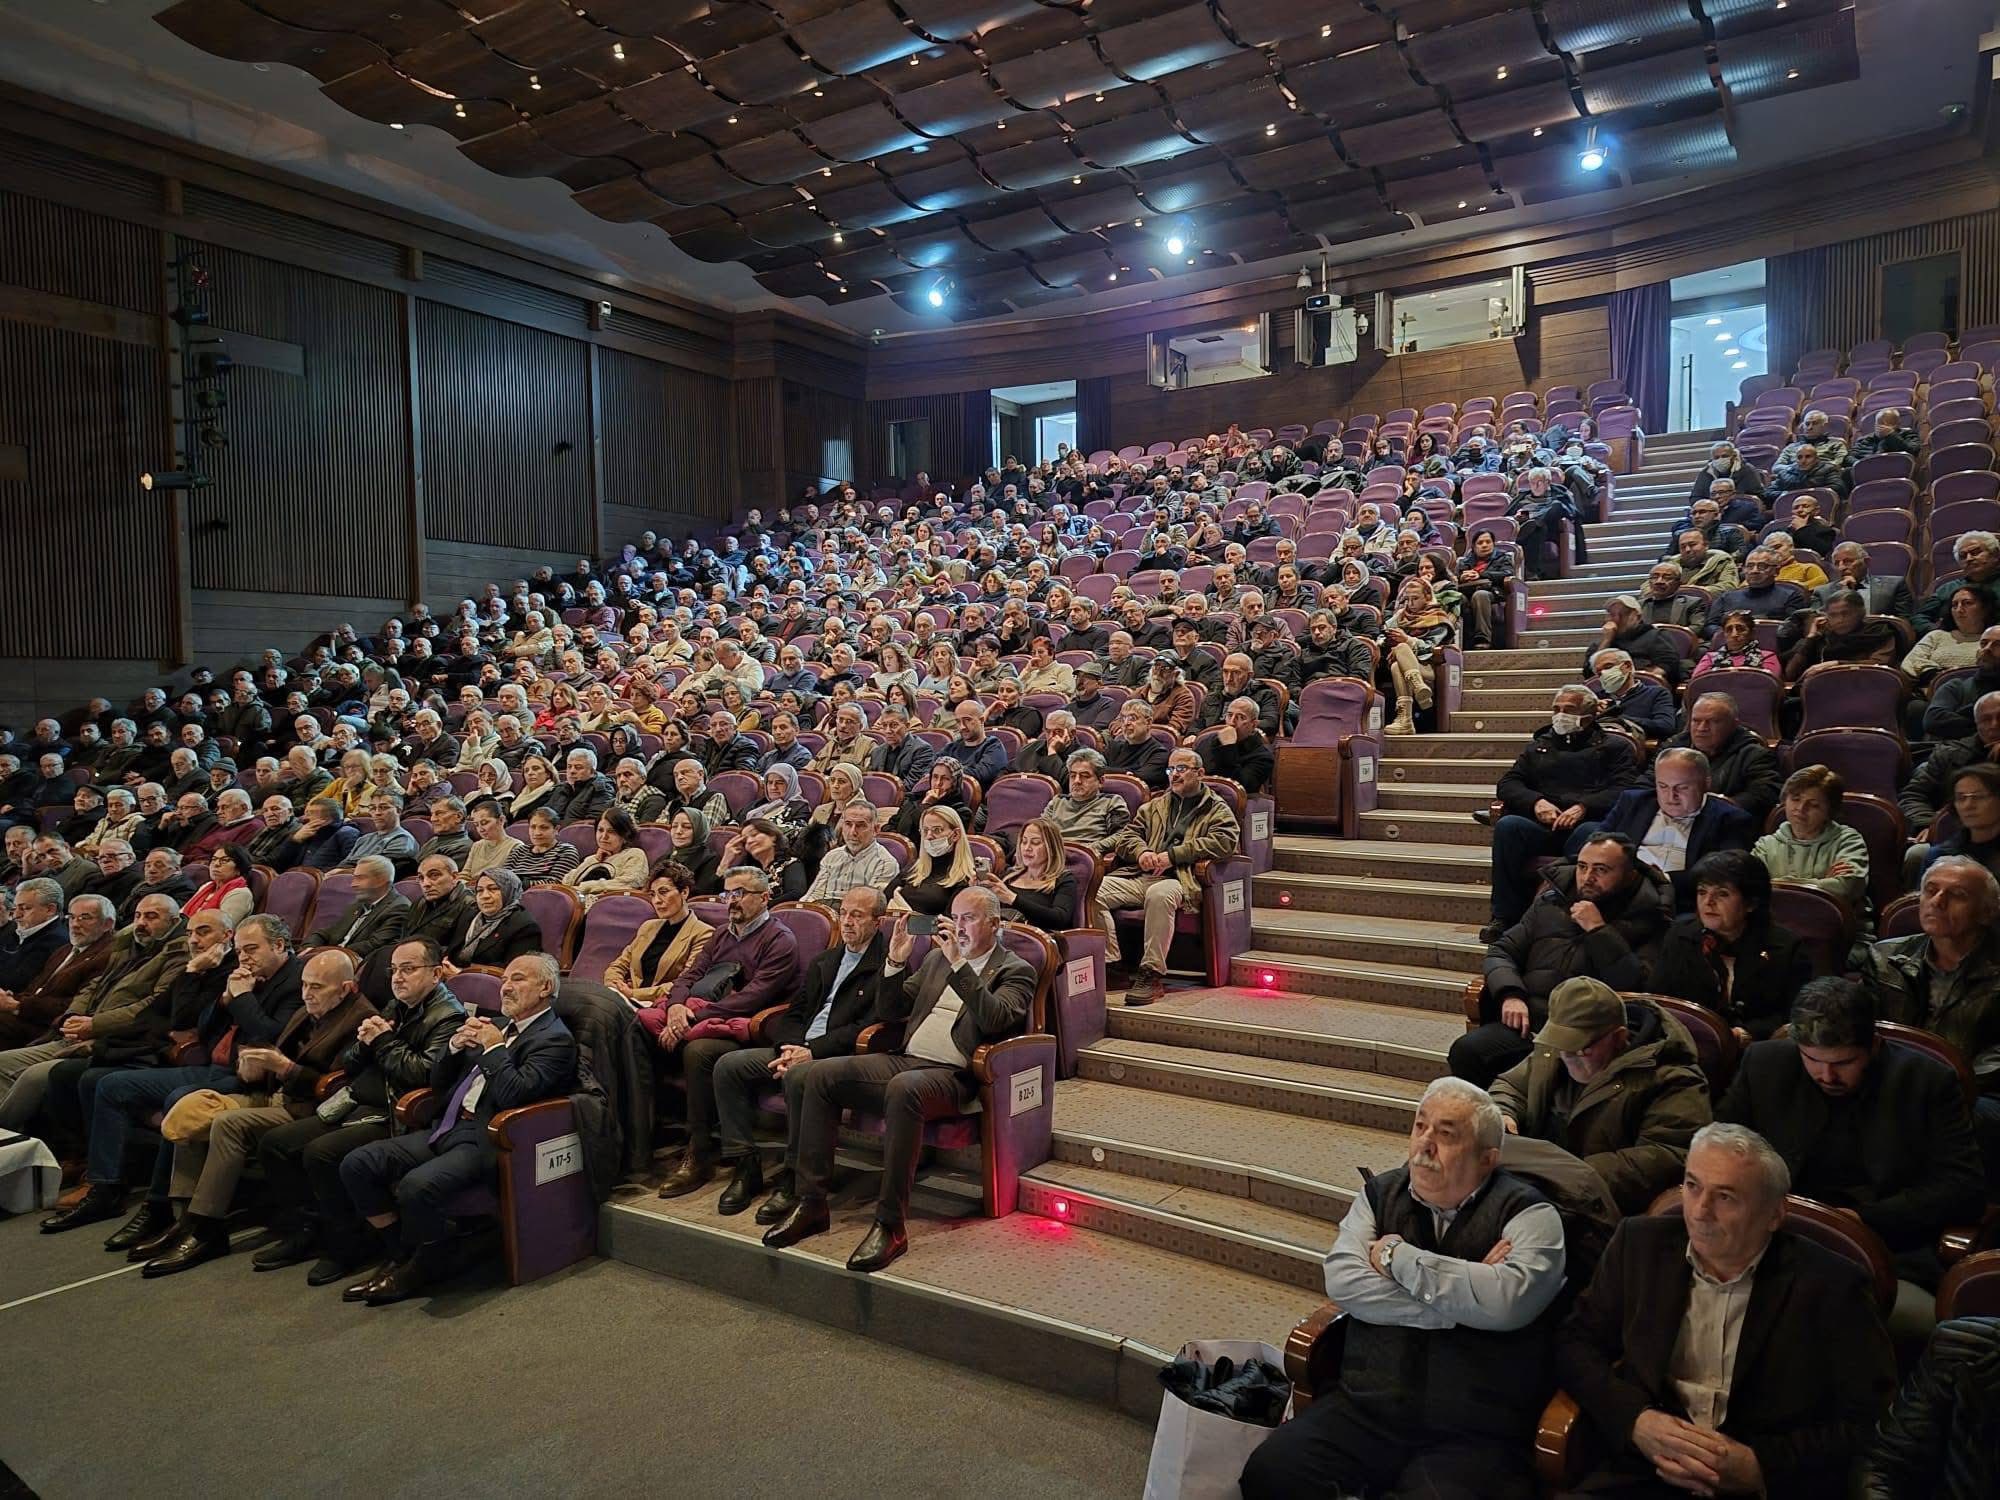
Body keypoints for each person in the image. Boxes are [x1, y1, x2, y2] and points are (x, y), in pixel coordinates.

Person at [1238, 1077, 1567, 1500]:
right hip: (1366, 1407)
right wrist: (1464, 1302)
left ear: (1487, 1159)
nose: (1425, 1145)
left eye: (1446, 1135)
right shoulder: (1379, 1195)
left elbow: (1506, 1304)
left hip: (1474, 1431)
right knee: (1273, 1471)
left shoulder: (1531, 1214)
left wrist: (1396, 1256)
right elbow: (1343, 1281)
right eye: (1420, 1127)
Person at [1553, 1124, 1897, 1500]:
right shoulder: (1638, 1245)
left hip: (1763, 1480)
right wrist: (1635, 1420)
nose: (1700, 1212)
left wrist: (1761, 1466)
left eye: (1726, 1197)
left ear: (1773, 1214)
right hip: (1648, 1469)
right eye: (1692, 1186)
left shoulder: (1834, 1286)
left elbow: (1871, 1420)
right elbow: (1574, 1344)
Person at [762, 888, 1036, 1273]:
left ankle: (890, 1224)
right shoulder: (937, 960)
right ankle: (811, 1202)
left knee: (903, 1089)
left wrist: (961, 968)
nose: (958, 927)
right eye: (954, 917)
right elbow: (890, 1010)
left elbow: (995, 1020)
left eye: (969, 919)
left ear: (994, 923)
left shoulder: (1014, 969)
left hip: (955, 1076)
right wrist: (894, 962)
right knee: (814, 1073)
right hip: (906, 1060)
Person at [1719, 979, 1985, 1304]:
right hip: (1772, 1240)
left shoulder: (1926, 1082)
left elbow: (1963, 1187)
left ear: (1873, 1046)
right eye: (1812, 1060)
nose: (1826, 1076)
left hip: (1886, 1252)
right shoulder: (1765, 1064)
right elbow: (1721, 1149)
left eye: (1843, 1063)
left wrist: (1864, 1219)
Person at [335, 951, 578, 1304]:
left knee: (416, 1187)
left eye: (518, 979)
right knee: (357, 1164)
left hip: (489, 1138)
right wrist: (452, 1047)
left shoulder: (554, 1039)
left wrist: (493, 1049)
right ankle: (402, 1253)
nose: (506, 987)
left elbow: (516, 1095)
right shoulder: (495, 1023)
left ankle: (425, 1265)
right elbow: (438, 1081)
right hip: (446, 1126)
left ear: (546, 988)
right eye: (505, 979)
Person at [43, 913, 302, 1236]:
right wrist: (223, 1001)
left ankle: (158, 1206)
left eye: (252, 949)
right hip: (211, 1064)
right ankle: (105, 1187)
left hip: (247, 1076)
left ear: (279, 945)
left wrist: (242, 997)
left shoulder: (295, 980)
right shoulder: (246, 975)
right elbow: (202, 1029)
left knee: (179, 1099)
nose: (244, 958)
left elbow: (271, 1034)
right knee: (110, 1086)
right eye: (240, 951)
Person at [138, 947, 377, 1277]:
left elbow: (342, 1087)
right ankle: (186, 1218)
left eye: (317, 987)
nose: (307, 994)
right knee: (191, 1111)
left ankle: (206, 1230)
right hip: (273, 1094)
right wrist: (255, 1069)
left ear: (347, 988)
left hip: (309, 1107)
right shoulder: (308, 1010)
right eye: (305, 985)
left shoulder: (361, 1020)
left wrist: (285, 1068)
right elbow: (276, 1049)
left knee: (228, 1125)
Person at [708, 886, 889, 1217]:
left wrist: (812, 1051)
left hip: (836, 1058)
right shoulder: (826, 959)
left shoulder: (885, 966)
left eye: (857, 915)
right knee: (728, 1066)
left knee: (799, 1077)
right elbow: (795, 1011)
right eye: (843, 913)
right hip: (799, 1049)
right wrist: (788, 1047)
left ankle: (794, 1175)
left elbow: (867, 1027)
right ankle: (745, 1165)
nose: (847, 922)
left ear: (878, 922)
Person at [1456, 833, 1670, 1088]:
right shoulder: (1552, 900)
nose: (1587, 877)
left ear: (1629, 874)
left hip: (1588, 1037)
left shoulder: (1650, 918)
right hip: (1532, 1023)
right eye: (1582, 866)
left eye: (1601, 870)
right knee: (1467, 1051)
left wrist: (1600, 932)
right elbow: (1501, 950)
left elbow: (1637, 987)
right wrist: (1511, 993)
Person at [1491, 977, 1712, 1214]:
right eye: (1561, 1044)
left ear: (1618, 1037)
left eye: (1580, 1048)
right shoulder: (1557, 1050)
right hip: (1535, 1182)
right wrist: (1503, 1113)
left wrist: (1566, 1172)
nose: (1567, 1056)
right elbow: (1511, 1085)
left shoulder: (1671, 1077)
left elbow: (1669, 1155)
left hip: (1594, 1205)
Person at [647, 866, 801, 1190]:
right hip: (708, 1019)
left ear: (764, 897)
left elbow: (753, 997)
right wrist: (676, 1005)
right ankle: (642, 1134)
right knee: (639, 1032)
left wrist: (692, 1018)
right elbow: (690, 976)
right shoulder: (722, 933)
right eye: (727, 893)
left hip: (752, 1028)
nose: (731, 901)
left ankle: (699, 1152)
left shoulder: (779, 939)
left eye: (740, 893)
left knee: (699, 1051)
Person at [1853, 856, 2000, 1180]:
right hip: (1892, 1079)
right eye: (1930, 891)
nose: (1937, 902)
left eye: (1957, 895)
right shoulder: (1884, 957)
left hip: (1980, 1090)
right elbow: (1862, 1026)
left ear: (1987, 912)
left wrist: (1944, 1086)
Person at [1483, 686, 1641, 938]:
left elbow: (1625, 788)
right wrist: (1536, 802)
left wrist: (1584, 806)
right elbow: (1508, 783)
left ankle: (1564, 912)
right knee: (1508, 826)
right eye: (1556, 709)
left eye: (1569, 710)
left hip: (1586, 823)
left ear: (1589, 715)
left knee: (1592, 834)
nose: (1560, 715)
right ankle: (1504, 916)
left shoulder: (1614, 747)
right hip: (1544, 823)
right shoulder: (1539, 746)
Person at [1097, 750, 1240, 1004]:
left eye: (1182, 768)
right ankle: (1113, 966)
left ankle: (1151, 974)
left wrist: (1172, 856)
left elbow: (1225, 841)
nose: (1175, 774)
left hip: (1180, 879)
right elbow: (1127, 837)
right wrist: (1142, 853)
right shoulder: (1155, 805)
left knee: (1158, 894)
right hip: (1140, 874)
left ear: (1200, 773)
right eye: (1171, 770)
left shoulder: (1215, 807)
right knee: (1093, 891)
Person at [1572, 748, 1756, 906]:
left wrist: (1657, 881)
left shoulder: (1731, 820)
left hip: (1677, 902)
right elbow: (1598, 842)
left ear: (1706, 784)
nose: (1671, 796)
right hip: (1616, 892)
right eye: (1663, 786)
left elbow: (1719, 875)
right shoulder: (1633, 802)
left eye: (1682, 788)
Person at [1752, 764, 1870, 911]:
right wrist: (1823, 883)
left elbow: (1845, 888)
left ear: (1829, 811)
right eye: (1795, 799)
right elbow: (1752, 890)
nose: (1800, 809)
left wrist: (1775, 884)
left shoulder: (1848, 841)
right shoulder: (1766, 845)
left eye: (1813, 805)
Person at [603, 863, 714, 1009]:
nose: (657, 900)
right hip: (626, 999)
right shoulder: (648, 926)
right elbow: (619, 964)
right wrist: (615, 983)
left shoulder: (704, 933)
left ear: (684, 892)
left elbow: (684, 983)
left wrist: (633, 993)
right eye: (652, 894)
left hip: (661, 1005)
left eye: (664, 892)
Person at [1662, 691, 1783, 825]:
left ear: (1733, 724)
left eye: (1712, 721)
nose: (1702, 728)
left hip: (1723, 823)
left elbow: (1765, 794)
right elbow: (1645, 784)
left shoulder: (1754, 754)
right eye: (1696, 721)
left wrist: (1724, 804)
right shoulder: (1672, 748)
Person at [1381, 577, 1454, 735]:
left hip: (1429, 668)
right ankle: (1415, 693)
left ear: (1427, 597)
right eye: (1407, 599)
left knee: (1402, 646)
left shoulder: (1438, 617)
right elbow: (1382, 633)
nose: (1410, 603)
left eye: (1415, 598)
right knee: (1396, 664)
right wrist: (1384, 641)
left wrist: (1408, 640)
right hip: (1406, 669)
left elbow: (1432, 647)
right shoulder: (1401, 615)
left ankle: (1405, 719)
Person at [978, 816, 1077, 928]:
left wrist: (1013, 899)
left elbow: (1060, 919)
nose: (1027, 848)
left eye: (1035, 843)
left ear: (1052, 848)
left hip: (1038, 941)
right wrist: (977, 891)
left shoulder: (1064, 880)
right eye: (1024, 842)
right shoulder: (1009, 875)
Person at [440, 868, 544, 975]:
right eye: (480, 890)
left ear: (508, 891)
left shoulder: (525, 927)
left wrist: (461, 975)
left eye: (493, 889)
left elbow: (515, 972)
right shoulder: (469, 915)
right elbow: (449, 948)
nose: (485, 896)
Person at [886, 804, 977, 917]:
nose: (929, 836)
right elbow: (883, 902)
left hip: (929, 933)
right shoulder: (913, 868)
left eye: (937, 830)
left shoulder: (965, 879)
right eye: (925, 830)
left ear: (955, 835)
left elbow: (949, 926)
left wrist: (908, 919)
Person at [803, 799, 898, 904]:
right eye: (848, 824)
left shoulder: (885, 863)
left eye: (860, 825)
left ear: (876, 829)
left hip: (854, 916)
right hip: (824, 913)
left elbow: (869, 907)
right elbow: (814, 895)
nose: (853, 832)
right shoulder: (831, 856)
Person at [1196, 696, 1274, 794]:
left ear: (1253, 725)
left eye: (1241, 717)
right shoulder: (1207, 741)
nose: (1232, 723)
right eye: (1229, 715)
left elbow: (1240, 789)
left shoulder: (1263, 757)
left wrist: (1228, 748)